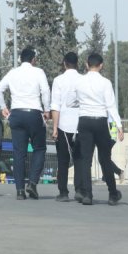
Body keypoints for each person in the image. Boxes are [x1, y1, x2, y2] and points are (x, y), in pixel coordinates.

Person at [0, 47, 51, 200]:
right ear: (33, 59)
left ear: (20, 59)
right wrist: (47, 110)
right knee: (39, 148)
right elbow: (45, 91)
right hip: (34, 113)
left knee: (18, 152)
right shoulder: (38, 72)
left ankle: (20, 190)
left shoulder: (13, 72)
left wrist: (3, 107)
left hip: (17, 113)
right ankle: (32, 182)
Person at [74, 53, 124, 206]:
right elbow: (111, 106)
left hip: (84, 120)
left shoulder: (79, 82)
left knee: (86, 159)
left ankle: (87, 194)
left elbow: (74, 100)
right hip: (100, 121)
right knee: (105, 158)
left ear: (86, 65)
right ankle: (112, 193)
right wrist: (119, 126)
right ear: (101, 65)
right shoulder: (105, 83)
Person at [51, 52, 84, 202]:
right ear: (77, 63)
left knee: (63, 161)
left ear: (64, 64)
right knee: (79, 159)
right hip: (80, 125)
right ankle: (79, 189)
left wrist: (55, 128)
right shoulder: (83, 80)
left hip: (63, 125)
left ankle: (63, 192)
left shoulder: (58, 81)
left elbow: (55, 106)